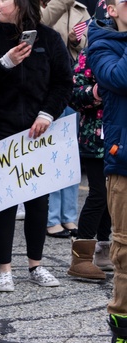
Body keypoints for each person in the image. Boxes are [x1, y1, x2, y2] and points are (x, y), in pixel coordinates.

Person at [0, 0, 72, 292]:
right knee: (6, 201)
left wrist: (46, 114)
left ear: (21, 5)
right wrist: (6, 62)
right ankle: (5, 269)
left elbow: (62, 83)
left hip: (38, 131)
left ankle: (35, 265)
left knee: (38, 200)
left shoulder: (50, 39)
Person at [81, 0, 127, 343]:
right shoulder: (103, 43)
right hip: (124, 163)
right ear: (111, 9)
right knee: (126, 255)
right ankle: (123, 338)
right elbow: (118, 78)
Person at [35, 0, 89, 238]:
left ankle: (68, 216)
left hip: (75, 87)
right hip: (48, 89)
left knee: (71, 157)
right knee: (52, 155)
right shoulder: (38, 5)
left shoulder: (81, 8)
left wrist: (78, 43)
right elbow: (41, 24)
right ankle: (51, 217)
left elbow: (90, 46)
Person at [67, 46, 113, 281]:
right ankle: (81, 257)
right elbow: (74, 94)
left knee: (114, 194)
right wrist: (97, 90)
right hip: (96, 135)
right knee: (99, 194)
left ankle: (104, 249)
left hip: (120, 135)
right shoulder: (93, 51)